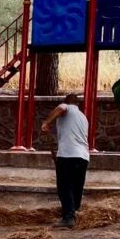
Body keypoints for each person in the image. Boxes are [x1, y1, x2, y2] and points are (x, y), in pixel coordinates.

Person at [41, 92, 91, 228]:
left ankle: (68, 217)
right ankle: (74, 212)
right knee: (76, 186)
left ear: (67, 102)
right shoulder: (83, 117)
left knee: (65, 185)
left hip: (68, 154)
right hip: (83, 156)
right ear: (78, 104)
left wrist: (47, 122)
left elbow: (61, 108)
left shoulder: (66, 107)